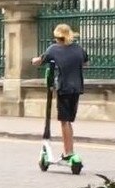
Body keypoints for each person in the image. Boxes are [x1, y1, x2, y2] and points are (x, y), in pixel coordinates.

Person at [31, 23, 89, 160]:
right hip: (77, 88)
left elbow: (38, 62)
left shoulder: (53, 49)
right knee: (69, 120)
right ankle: (69, 151)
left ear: (57, 37)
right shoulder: (78, 49)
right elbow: (86, 63)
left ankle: (69, 153)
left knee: (64, 121)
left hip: (64, 88)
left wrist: (33, 60)